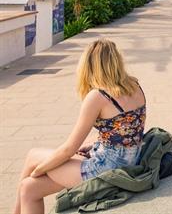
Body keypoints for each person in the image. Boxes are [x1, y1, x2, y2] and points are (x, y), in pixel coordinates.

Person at [13, 39, 146, 214]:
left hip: (104, 170)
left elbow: (68, 150)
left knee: (32, 156)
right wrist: (95, 144)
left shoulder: (98, 96)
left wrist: (40, 169)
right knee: (28, 188)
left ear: (89, 65)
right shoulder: (134, 85)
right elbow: (126, 130)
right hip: (129, 163)